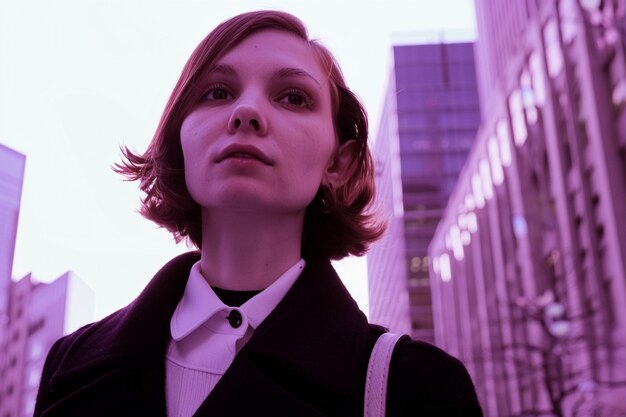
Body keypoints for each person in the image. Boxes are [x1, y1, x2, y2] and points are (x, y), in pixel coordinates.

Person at [34, 10, 483, 417]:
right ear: (180, 139)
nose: (246, 111)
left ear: (337, 163)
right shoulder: (69, 366)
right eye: (217, 92)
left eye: (293, 98)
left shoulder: (415, 389)